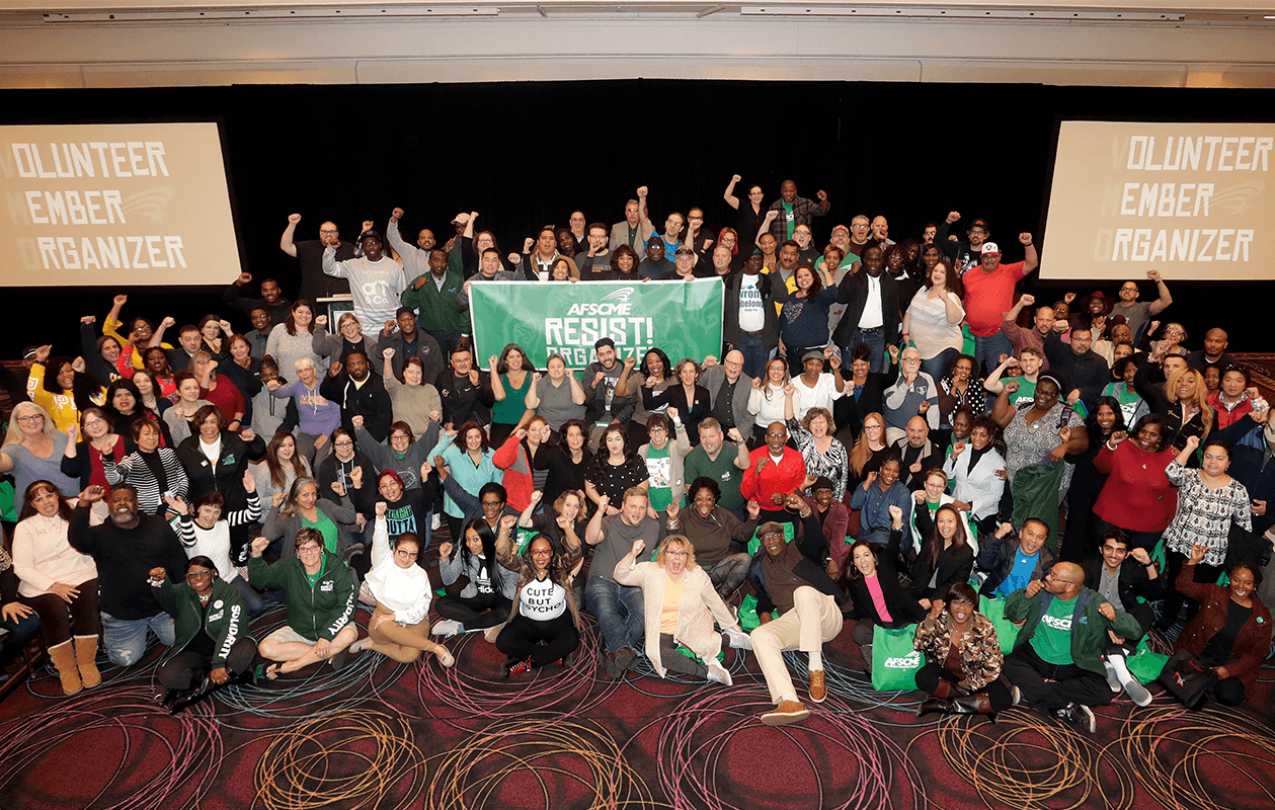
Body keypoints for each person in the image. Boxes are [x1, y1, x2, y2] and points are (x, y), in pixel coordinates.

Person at [1001, 561, 1144, 733]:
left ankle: (1030, 690)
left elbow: (1135, 632)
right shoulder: (1041, 593)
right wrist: (1025, 596)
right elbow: (1012, 614)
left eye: (1054, 577)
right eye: (1050, 573)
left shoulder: (1092, 602)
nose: (1047, 578)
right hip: (1036, 654)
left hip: (1074, 661)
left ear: (1069, 586)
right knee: (1007, 663)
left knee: (1102, 693)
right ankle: (1066, 707)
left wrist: (1115, 617)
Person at [750, 501, 847, 726]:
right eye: (766, 538)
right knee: (759, 635)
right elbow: (763, 596)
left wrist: (805, 511)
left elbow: (817, 541)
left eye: (775, 535)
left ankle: (816, 668)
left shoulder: (799, 548)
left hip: (826, 615)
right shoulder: (759, 566)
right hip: (797, 624)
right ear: (761, 543)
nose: (771, 541)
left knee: (803, 593)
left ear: (783, 537)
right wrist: (764, 613)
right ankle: (789, 700)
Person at [69, 484, 187, 667]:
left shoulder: (158, 524)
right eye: (116, 500)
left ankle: (153, 630)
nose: (122, 503)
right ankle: (134, 634)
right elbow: (77, 540)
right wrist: (84, 503)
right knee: (124, 660)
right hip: (122, 614)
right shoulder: (99, 535)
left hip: (162, 608)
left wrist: (180, 601)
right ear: (109, 506)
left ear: (137, 504)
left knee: (188, 639)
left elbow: (178, 561)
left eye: (128, 499)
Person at [613, 534, 747, 684]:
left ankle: (729, 639)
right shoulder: (649, 571)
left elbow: (714, 600)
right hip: (662, 628)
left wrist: (730, 624)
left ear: (688, 556)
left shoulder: (697, 574)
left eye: (682, 553)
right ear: (664, 554)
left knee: (705, 644)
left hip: (691, 622)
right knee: (655, 652)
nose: (677, 558)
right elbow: (620, 576)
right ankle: (709, 672)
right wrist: (632, 554)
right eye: (672, 552)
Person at [12, 481, 101, 695]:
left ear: (56, 495)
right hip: (42, 581)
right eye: (39, 499)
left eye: (49, 495)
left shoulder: (75, 507)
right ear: (32, 504)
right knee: (53, 607)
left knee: (86, 597)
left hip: (80, 570)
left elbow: (99, 535)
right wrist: (53, 586)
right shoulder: (25, 527)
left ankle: (87, 662)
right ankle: (67, 669)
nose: (46, 501)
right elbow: (21, 567)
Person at [1160, 436, 1253, 629]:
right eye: (1209, 456)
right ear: (1202, 458)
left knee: (1200, 594)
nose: (1213, 461)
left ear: (1228, 463)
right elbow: (1171, 473)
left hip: (1211, 554)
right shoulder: (1190, 476)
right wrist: (1190, 447)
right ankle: (1167, 619)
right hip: (1180, 543)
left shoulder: (1238, 490)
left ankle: (1191, 629)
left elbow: (1245, 527)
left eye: (1219, 458)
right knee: (1175, 585)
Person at [147, 555, 258, 712]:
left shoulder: (228, 592)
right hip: (195, 653)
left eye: (204, 573)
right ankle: (227, 676)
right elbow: (166, 599)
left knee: (245, 651)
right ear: (187, 578)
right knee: (168, 675)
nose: (198, 578)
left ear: (213, 573)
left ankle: (197, 690)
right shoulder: (182, 592)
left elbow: (231, 629)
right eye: (192, 575)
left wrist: (219, 662)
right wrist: (160, 582)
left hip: (228, 647)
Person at [1167, 543, 1271, 706]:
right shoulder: (1214, 593)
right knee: (1175, 673)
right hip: (1200, 653)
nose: (1240, 587)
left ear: (1255, 585)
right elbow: (1182, 586)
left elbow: (1258, 653)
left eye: (1247, 583)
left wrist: (1229, 670)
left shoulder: (1262, 617)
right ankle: (1201, 680)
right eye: (1236, 580)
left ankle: (1200, 681)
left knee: (1230, 696)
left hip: (1230, 663)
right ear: (1230, 580)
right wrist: (1193, 562)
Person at [349, 505, 453, 667]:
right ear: (394, 549)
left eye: (412, 555)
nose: (406, 558)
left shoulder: (420, 575)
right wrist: (381, 517)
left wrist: (395, 617)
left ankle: (376, 645)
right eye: (402, 552)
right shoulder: (383, 562)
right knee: (382, 628)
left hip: (413, 620)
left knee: (409, 655)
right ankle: (435, 648)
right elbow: (379, 540)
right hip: (384, 620)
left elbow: (420, 611)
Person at [249, 527, 358, 678]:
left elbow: (347, 604)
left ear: (321, 548)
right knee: (265, 649)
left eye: (313, 547)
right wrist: (256, 555)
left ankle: (296, 663)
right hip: (301, 630)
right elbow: (260, 581)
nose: (309, 553)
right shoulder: (289, 567)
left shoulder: (336, 567)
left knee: (349, 635)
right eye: (303, 549)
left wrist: (326, 636)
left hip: (332, 627)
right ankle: (327, 653)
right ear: (297, 552)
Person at [584, 488, 664, 677]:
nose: (637, 512)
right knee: (606, 610)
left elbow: (663, 549)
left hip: (632, 583)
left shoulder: (653, 526)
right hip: (603, 580)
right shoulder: (608, 522)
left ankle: (616, 651)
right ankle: (624, 649)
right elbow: (590, 538)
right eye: (633, 506)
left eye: (642, 507)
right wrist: (599, 511)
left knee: (645, 612)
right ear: (622, 507)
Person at [1081, 528, 1163, 705]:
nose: (1113, 555)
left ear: (1126, 555)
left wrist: (1148, 563)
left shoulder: (1130, 570)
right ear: (1100, 549)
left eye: (1120, 551)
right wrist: (1109, 625)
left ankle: (1112, 660)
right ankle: (1122, 669)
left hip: (1123, 620)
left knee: (1145, 611)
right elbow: (1080, 603)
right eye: (1109, 548)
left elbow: (1156, 593)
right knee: (1083, 619)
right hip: (1095, 618)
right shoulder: (1088, 568)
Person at [493, 515, 584, 675]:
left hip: (557, 621)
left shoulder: (558, 566)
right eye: (536, 552)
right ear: (530, 553)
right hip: (527, 621)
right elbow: (502, 555)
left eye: (545, 552)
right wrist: (504, 530)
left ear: (551, 553)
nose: (541, 556)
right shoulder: (524, 566)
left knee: (571, 640)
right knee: (502, 641)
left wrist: (568, 528)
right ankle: (552, 655)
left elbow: (576, 552)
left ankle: (528, 661)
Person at [166, 471, 266, 617]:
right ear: (198, 509)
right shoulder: (188, 527)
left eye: (216, 512)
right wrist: (184, 515)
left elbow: (254, 514)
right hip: (204, 584)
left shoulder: (224, 522)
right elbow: (188, 541)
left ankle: (234, 609)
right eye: (207, 510)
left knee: (257, 607)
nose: (211, 516)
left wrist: (251, 492)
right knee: (218, 619)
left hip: (230, 577)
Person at [844, 506, 929, 662]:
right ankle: (875, 664)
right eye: (857, 557)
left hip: (899, 619)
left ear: (874, 558)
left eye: (866, 555)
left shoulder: (885, 566)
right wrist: (840, 614)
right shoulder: (856, 585)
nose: (863, 560)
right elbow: (859, 611)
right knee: (859, 632)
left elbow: (893, 544)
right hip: (878, 625)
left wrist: (897, 521)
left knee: (911, 643)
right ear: (854, 563)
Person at [913, 583, 1011, 718]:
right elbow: (919, 646)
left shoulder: (984, 626)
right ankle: (975, 702)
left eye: (968, 604)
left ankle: (944, 705)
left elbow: (993, 665)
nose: (962, 609)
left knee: (1004, 700)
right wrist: (931, 617)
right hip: (946, 672)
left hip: (975, 674)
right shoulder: (940, 618)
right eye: (957, 603)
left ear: (973, 608)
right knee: (923, 677)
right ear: (948, 604)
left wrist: (968, 684)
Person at [1091, 414, 1177, 552]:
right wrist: (1111, 445)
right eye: (1143, 431)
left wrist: (1170, 519)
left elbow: (1173, 491)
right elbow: (1101, 467)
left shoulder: (1171, 456)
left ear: (1160, 437)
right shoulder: (1122, 445)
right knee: (1102, 563)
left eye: (1153, 434)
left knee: (1135, 569)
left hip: (1149, 527)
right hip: (1111, 519)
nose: (1146, 437)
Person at [962, 235, 1040, 376]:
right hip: (972, 335)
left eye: (993, 256)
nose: (989, 260)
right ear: (981, 258)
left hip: (998, 335)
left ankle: (994, 399)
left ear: (999, 257)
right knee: (969, 373)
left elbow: (1032, 263)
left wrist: (1028, 244)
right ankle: (971, 398)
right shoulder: (968, 275)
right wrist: (963, 319)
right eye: (986, 256)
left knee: (997, 374)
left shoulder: (1010, 271)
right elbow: (966, 300)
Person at [671, 477, 759, 600]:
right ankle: (703, 598)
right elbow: (674, 541)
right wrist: (672, 520)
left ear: (714, 500)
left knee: (745, 559)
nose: (704, 503)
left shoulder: (723, 515)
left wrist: (753, 517)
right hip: (696, 569)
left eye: (708, 499)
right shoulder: (685, 515)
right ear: (693, 499)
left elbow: (742, 535)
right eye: (699, 499)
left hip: (721, 567)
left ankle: (720, 596)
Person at [433, 518, 519, 637]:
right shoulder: (465, 552)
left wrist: (507, 557)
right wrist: (444, 558)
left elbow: (514, 582)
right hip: (477, 597)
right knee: (441, 604)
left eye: (475, 539)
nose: (470, 544)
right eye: (468, 539)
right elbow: (448, 580)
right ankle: (486, 623)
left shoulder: (500, 551)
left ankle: (460, 627)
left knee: (508, 611)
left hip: (500, 598)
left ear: (485, 537)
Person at [0, 402, 80, 514]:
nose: (31, 421)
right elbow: (3, 463)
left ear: (43, 418)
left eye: (36, 416)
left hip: (72, 506)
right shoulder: (14, 449)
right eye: (25, 418)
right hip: (37, 513)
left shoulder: (59, 436)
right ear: (16, 422)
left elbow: (76, 465)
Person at [832, 245, 902, 375]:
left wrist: (891, 340)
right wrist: (851, 275)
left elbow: (893, 313)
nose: (873, 264)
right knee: (848, 371)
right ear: (864, 260)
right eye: (870, 260)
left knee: (875, 374)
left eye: (877, 260)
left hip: (877, 336)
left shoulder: (890, 282)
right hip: (853, 334)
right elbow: (841, 298)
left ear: (883, 261)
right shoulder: (856, 276)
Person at [101, 418, 188, 518]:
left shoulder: (169, 454)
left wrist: (173, 507)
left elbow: (183, 480)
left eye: (155, 433)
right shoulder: (131, 461)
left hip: (176, 509)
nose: (152, 437)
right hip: (148, 515)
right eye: (146, 434)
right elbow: (113, 480)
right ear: (136, 438)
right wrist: (108, 458)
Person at [322, 230, 407, 329]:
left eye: (374, 243)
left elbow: (403, 294)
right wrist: (330, 250)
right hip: (365, 327)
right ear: (363, 247)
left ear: (380, 245)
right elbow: (329, 269)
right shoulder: (353, 265)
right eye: (367, 244)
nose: (371, 246)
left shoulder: (394, 266)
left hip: (390, 324)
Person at [431, 421, 501, 539]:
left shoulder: (492, 455)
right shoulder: (453, 451)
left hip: (482, 509)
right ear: (464, 438)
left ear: (483, 438)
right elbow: (432, 459)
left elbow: (499, 484)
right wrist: (446, 439)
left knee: (481, 544)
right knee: (460, 544)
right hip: (456, 509)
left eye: (477, 436)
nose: (474, 441)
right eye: (469, 437)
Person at [266, 357, 342, 466]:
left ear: (314, 371)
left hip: (328, 431)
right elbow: (281, 393)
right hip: (306, 433)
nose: (304, 374)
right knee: (299, 462)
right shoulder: (297, 387)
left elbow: (337, 413)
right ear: (297, 375)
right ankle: (303, 483)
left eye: (307, 369)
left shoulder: (327, 385)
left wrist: (325, 435)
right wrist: (272, 388)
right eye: (300, 371)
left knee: (320, 464)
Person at [263, 475, 359, 559]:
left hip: (335, 563)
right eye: (305, 495)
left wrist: (342, 494)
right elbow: (268, 536)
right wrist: (274, 507)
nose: (311, 499)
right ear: (295, 497)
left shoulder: (324, 505)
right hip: (305, 570)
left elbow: (349, 517)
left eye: (314, 494)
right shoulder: (289, 517)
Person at [903, 261, 966, 382]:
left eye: (942, 272)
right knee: (921, 385)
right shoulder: (924, 290)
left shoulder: (951, 296)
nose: (937, 274)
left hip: (942, 348)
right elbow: (910, 312)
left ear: (949, 276)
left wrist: (946, 300)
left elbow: (955, 321)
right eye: (936, 270)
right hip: (921, 347)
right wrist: (905, 333)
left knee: (933, 386)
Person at [943, 415, 1007, 531]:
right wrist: (953, 456)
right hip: (957, 508)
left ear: (990, 437)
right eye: (974, 433)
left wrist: (970, 505)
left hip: (981, 515)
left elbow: (995, 495)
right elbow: (946, 477)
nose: (977, 438)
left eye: (983, 435)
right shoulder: (962, 450)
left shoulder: (998, 463)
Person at [682, 418, 752, 520]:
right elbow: (689, 489)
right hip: (707, 512)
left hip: (734, 509)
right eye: (703, 437)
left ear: (721, 436)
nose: (708, 441)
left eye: (712, 436)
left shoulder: (731, 449)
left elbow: (745, 464)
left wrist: (740, 441)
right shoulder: (693, 457)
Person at [740, 421, 807, 528]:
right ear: (766, 438)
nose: (776, 440)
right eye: (772, 435)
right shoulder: (753, 456)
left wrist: (785, 497)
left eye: (780, 436)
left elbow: (800, 487)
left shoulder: (797, 458)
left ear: (786, 439)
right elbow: (745, 493)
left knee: (787, 544)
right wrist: (756, 472)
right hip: (759, 512)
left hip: (788, 511)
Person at [320, 349, 393, 443]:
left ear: (367, 364)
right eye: (352, 365)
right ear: (347, 368)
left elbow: (384, 417)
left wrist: (369, 442)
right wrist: (331, 376)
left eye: (360, 363)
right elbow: (325, 393)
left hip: (375, 438)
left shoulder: (378, 383)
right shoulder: (343, 381)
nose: (357, 367)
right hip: (349, 438)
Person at [909, 503, 975, 604]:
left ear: (957, 523)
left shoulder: (966, 553)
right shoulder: (931, 537)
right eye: (941, 521)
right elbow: (923, 522)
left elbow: (954, 584)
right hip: (917, 587)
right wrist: (921, 505)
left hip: (941, 597)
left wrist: (931, 601)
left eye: (950, 521)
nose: (945, 526)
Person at [787, 403, 850, 503]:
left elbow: (843, 478)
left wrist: (838, 504)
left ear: (828, 424)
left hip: (830, 501)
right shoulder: (804, 440)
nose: (818, 425)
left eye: (821, 421)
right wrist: (788, 396)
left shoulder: (838, 447)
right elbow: (790, 422)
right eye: (814, 422)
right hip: (805, 500)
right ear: (808, 425)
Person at [978, 519, 1056, 598]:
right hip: (993, 598)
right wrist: (997, 536)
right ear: (1021, 534)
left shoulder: (1047, 562)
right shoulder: (1008, 548)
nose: (1033, 540)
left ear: (1044, 542)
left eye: (1040, 537)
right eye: (1030, 534)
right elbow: (985, 563)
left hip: (1020, 606)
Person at [585, 423, 649, 515]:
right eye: (610, 440)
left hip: (632, 513)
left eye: (618, 439)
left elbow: (642, 489)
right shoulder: (596, 461)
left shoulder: (636, 460)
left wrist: (627, 508)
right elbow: (589, 488)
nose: (614, 443)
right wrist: (605, 507)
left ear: (624, 440)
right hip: (602, 512)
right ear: (605, 442)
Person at [849, 455, 912, 548]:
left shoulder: (902, 492)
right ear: (881, 469)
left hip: (887, 539)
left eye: (895, 471)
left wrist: (899, 548)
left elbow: (903, 522)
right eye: (888, 469)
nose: (891, 474)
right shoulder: (869, 485)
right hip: (865, 537)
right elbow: (854, 504)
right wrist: (868, 481)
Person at [882, 347, 939, 444]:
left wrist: (932, 434)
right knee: (900, 446)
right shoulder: (892, 377)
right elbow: (892, 404)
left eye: (915, 360)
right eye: (908, 359)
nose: (912, 363)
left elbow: (933, 408)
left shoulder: (927, 379)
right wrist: (906, 384)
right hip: (896, 429)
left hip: (919, 431)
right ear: (901, 363)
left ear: (920, 363)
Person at [382, 353, 442, 441]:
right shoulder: (396, 389)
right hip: (401, 441)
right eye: (411, 372)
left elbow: (439, 416)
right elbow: (388, 379)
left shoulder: (430, 390)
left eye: (418, 372)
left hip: (426, 440)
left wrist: (436, 417)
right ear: (404, 373)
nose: (415, 376)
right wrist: (387, 359)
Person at [265, 301, 324, 389]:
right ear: (293, 313)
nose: (304, 315)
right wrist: (272, 380)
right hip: (284, 389)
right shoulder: (279, 330)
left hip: (314, 391)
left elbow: (329, 362)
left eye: (308, 313)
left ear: (313, 315)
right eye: (300, 312)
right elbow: (269, 360)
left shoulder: (321, 333)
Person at [435, 346, 495, 430]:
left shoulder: (481, 376)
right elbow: (437, 405)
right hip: (452, 428)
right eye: (458, 361)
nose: (463, 364)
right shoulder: (442, 378)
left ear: (471, 360)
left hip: (477, 428)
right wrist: (444, 423)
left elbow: (489, 403)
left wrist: (477, 385)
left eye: (466, 360)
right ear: (452, 363)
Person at [253, 430, 312, 514]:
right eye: (282, 446)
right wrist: (273, 501)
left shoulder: (302, 460)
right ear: (275, 447)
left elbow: (311, 484)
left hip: (300, 512)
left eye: (290, 445)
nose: (287, 449)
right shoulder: (264, 469)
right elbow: (255, 502)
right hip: (274, 516)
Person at [488, 343, 534, 447]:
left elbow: (532, 408)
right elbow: (499, 396)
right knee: (499, 458)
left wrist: (518, 428)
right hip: (500, 424)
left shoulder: (532, 376)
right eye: (512, 357)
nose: (515, 360)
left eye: (518, 356)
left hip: (525, 424)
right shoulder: (499, 377)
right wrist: (493, 369)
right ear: (505, 360)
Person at [526, 354, 587, 431]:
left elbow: (579, 401)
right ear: (548, 370)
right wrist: (534, 382)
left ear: (564, 368)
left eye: (559, 366)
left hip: (573, 427)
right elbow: (530, 405)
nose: (556, 369)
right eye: (552, 367)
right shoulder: (542, 383)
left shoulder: (574, 380)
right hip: (549, 428)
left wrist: (571, 378)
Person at [311, 312, 378, 365]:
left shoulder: (370, 344)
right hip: (339, 381)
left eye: (351, 324)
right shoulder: (334, 341)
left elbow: (378, 368)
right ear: (341, 330)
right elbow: (318, 349)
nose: (348, 328)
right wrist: (319, 326)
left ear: (357, 325)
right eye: (344, 326)